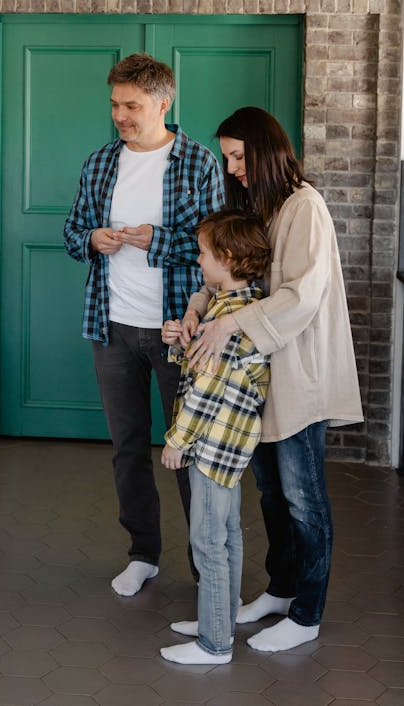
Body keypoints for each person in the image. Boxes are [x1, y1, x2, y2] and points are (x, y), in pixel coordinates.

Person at [181, 107, 363, 652]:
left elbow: (301, 295)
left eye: (239, 156)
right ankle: (281, 591)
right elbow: (236, 272)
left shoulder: (305, 206)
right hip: (258, 373)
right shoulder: (266, 206)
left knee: (304, 498)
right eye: (228, 156)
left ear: (265, 151)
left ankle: (307, 614)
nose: (232, 167)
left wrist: (228, 323)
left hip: (298, 373)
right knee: (271, 494)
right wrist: (198, 306)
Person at [63, 53, 224, 596]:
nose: (120, 115)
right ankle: (143, 553)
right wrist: (92, 239)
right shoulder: (100, 162)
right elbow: (72, 231)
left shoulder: (199, 162)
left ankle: (208, 567)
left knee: (189, 451)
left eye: (131, 105)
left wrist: (156, 240)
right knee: (127, 446)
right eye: (115, 104)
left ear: (163, 103)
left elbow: (218, 250)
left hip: (180, 329)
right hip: (111, 325)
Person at [159, 210, 272, 665]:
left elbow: (204, 390)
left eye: (204, 254)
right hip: (234, 442)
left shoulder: (227, 320)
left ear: (226, 258)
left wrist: (176, 441)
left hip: (210, 444)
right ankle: (217, 619)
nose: (199, 262)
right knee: (226, 534)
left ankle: (215, 644)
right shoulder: (244, 307)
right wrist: (178, 339)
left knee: (207, 540)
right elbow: (204, 365)